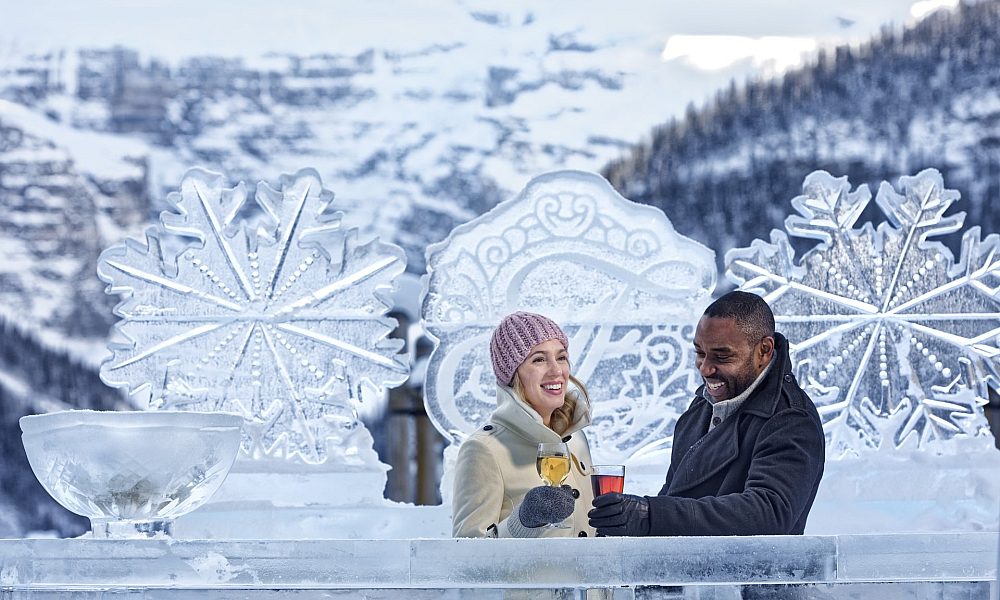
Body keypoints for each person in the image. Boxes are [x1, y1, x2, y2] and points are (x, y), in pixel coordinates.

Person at [589, 291, 825, 536]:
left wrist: (651, 515)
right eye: (700, 353)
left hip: (752, 574)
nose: (705, 368)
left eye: (722, 356)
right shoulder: (701, 406)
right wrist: (629, 522)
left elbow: (768, 512)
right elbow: (674, 497)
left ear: (764, 351)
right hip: (691, 572)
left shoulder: (791, 419)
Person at [452, 311, 597, 538]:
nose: (557, 370)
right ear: (513, 375)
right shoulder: (484, 449)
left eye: (561, 357)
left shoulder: (576, 439)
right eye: (539, 359)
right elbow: (468, 559)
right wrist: (523, 521)